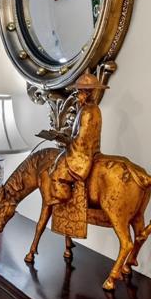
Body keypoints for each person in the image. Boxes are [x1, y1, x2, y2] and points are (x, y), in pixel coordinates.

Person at [46, 72, 108, 206]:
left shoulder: (88, 112)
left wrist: (65, 141)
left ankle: (63, 197)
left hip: (84, 153)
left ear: (87, 93)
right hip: (84, 148)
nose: (77, 96)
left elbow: (83, 140)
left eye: (79, 92)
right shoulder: (89, 109)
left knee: (57, 172)